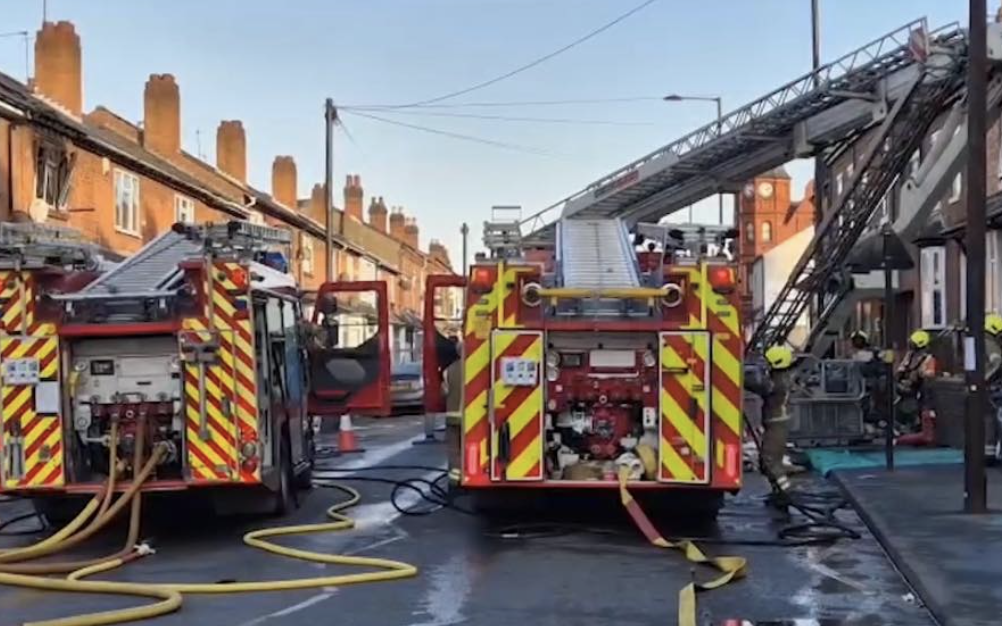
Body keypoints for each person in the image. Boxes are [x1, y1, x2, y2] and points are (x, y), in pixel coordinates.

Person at [745, 345, 796, 492]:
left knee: (770, 462)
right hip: (776, 424)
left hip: (776, 425)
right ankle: (778, 491)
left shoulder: (776, 382)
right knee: (767, 461)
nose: (765, 364)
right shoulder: (781, 377)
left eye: (767, 361)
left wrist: (739, 378)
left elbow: (760, 387)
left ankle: (786, 492)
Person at [895, 330, 937, 432]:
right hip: (904, 385)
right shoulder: (910, 355)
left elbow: (930, 373)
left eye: (913, 344)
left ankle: (915, 423)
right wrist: (900, 374)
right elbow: (902, 367)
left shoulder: (928, 358)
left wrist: (920, 373)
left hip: (917, 388)